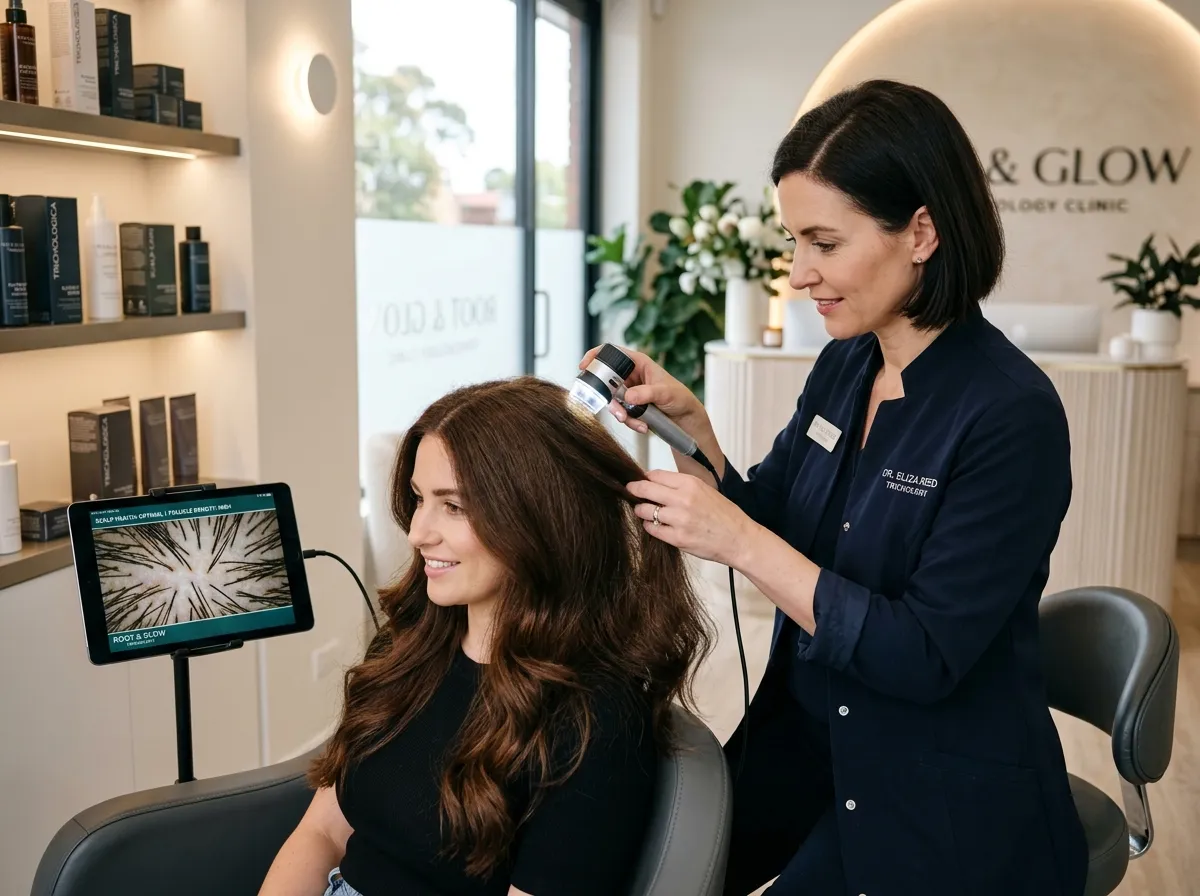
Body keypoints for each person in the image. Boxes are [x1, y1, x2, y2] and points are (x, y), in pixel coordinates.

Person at [584, 79, 1088, 896]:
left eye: (823, 242)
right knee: (642, 855)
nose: (798, 274)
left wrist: (738, 540)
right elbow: (778, 516)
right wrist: (692, 432)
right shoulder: (846, 363)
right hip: (807, 736)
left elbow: (924, 655)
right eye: (794, 243)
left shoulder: (1009, 414)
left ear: (921, 231)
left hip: (934, 785)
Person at [258, 376, 713, 896]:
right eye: (419, 498)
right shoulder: (409, 646)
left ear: (538, 518)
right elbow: (322, 831)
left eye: (453, 506)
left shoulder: (593, 719)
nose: (417, 532)